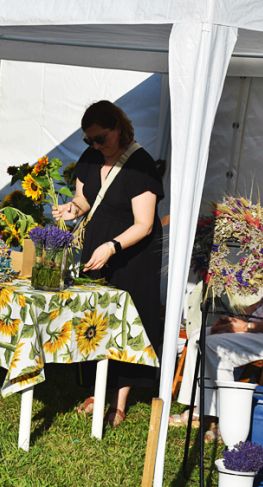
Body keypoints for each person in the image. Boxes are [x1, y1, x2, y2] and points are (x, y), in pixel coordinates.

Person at [52, 100, 164, 427]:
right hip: (97, 248)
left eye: (101, 138)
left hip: (131, 253)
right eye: (89, 140)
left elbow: (144, 223)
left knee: (126, 324)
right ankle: (95, 389)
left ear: (118, 127)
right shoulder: (91, 157)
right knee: (95, 318)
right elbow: (85, 200)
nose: (96, 145)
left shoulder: (140, 164)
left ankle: (119, 400)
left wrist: (112, 247)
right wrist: (72, 209)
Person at [172, 203, 263, 439]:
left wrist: (248, 326)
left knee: (213, 345)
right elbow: (262, 303)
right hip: (259, 332)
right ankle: (203, 407)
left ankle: (224, 417)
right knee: (200, 335)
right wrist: (235, 319)